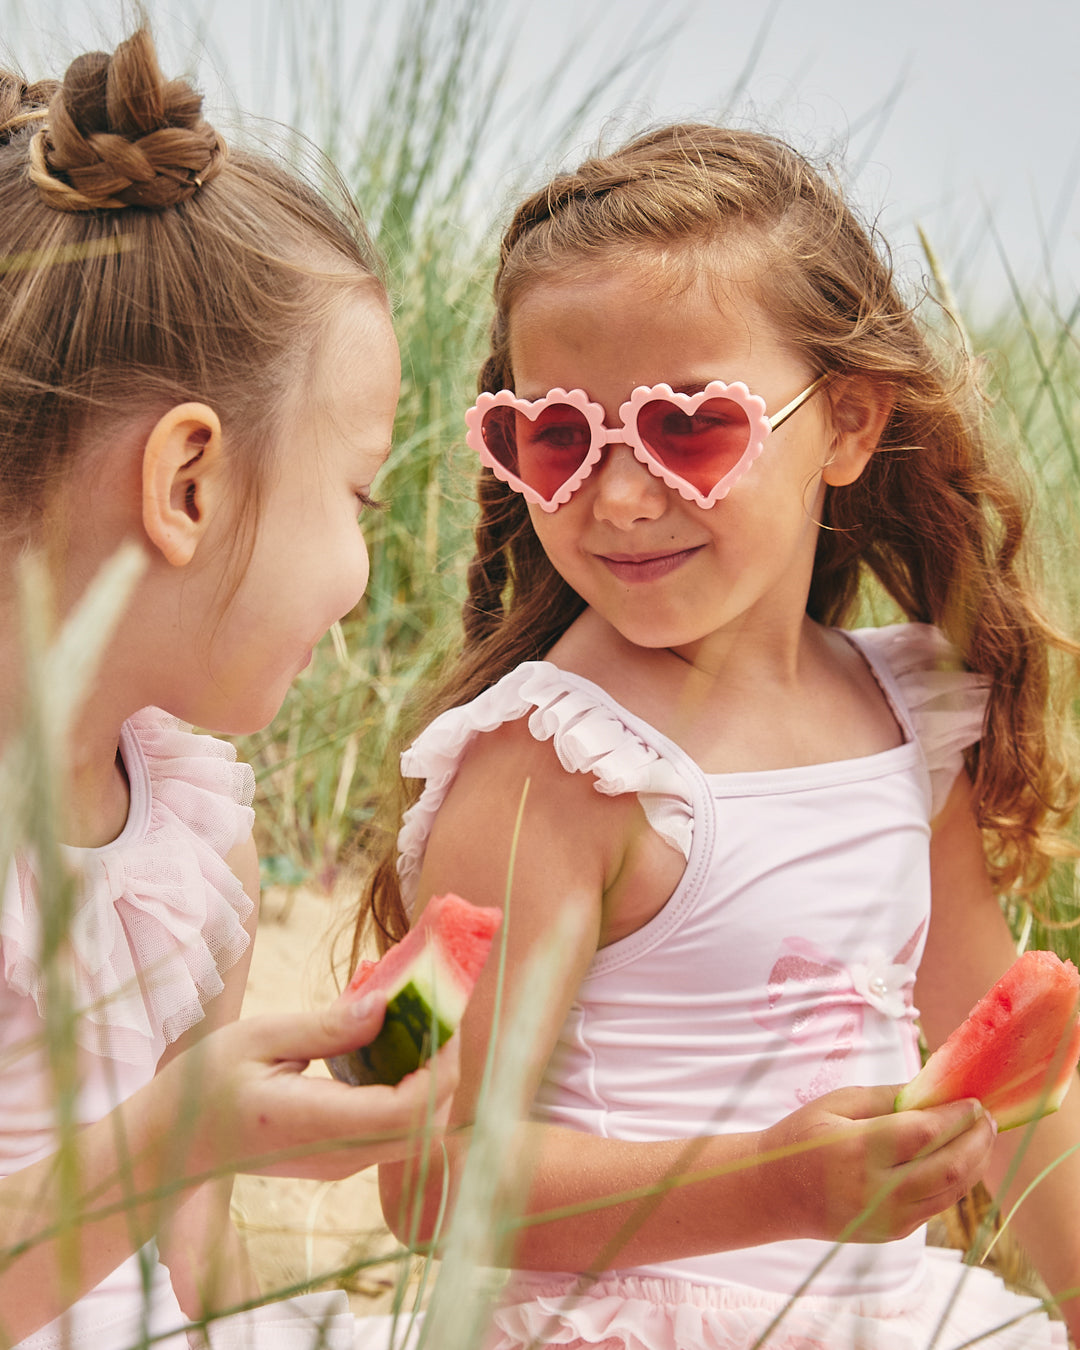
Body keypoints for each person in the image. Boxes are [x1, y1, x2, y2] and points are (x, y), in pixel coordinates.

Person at [357, 124, 1080, 1349]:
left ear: (846, 424)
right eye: (560, 438)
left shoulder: (912, 715)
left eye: (690, 428)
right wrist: (765, 1186)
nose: (623, 496)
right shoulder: (540, 768)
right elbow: (423, 1175)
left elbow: (1016, 1071)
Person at [0, 26, 458, 1350]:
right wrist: (166, 1140)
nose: (362, 573)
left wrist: (225, 1139)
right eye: (358, 496)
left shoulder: (197, 835)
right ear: (187, 484)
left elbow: (175, 1288)